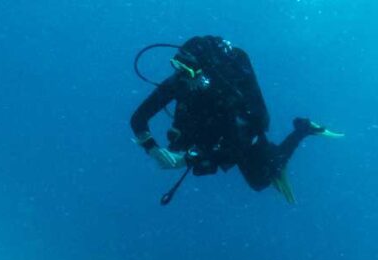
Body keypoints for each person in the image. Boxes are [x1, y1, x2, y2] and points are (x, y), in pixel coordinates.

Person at [130, 35, 342, 204]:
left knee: (261, 180)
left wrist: (188, 159)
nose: (182, 75)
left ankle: (303, 129)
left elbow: (237, 145)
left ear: (204, 70)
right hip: (211, 133)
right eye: (176, 67)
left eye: (187, 70)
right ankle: (278, 153)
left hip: (240, 135)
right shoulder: (179, 82)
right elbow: (138, 118)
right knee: (180, 143)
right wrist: (153, 148)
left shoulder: (228, 93)